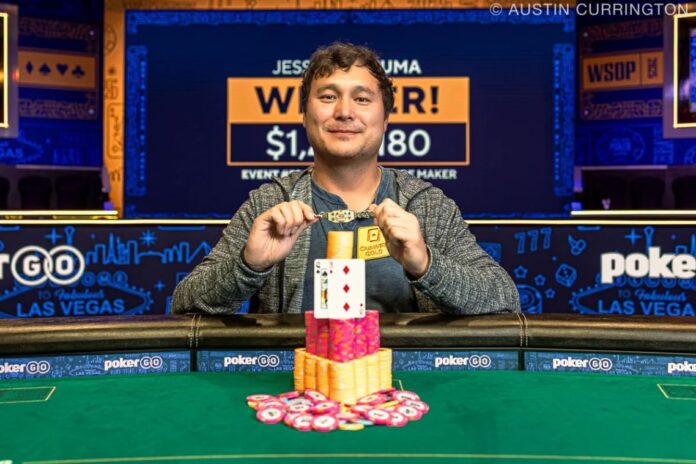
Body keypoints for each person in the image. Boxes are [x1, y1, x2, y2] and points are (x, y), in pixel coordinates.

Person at [171, 42, 520, 315]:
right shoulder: (270, 202)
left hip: (401, 381)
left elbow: (503, 299)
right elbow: (185, 304)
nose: (344, 112)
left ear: (385, 119)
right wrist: (248, 266)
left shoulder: (426, 206)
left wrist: (425, 264)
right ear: (304, 115)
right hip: (298, 381)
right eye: (328, 97)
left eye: (362, 99)